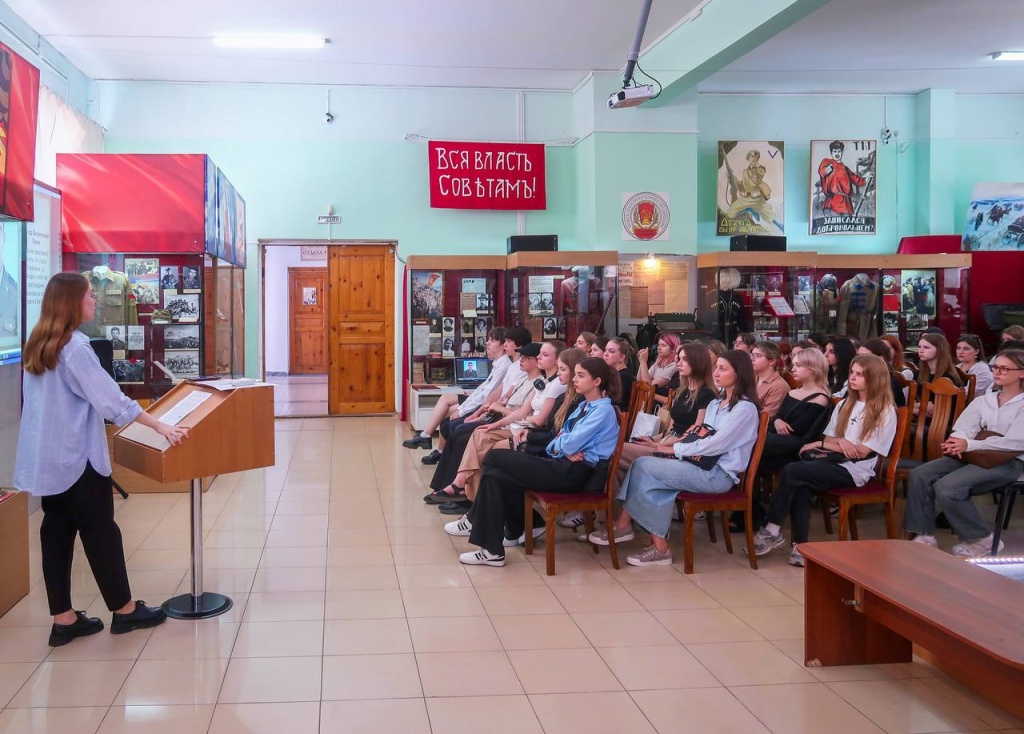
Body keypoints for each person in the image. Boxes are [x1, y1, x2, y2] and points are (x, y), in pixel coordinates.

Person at [14, 273, 188, 647]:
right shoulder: (75, 348)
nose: (94, 300)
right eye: (90, 296)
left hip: (49, 459)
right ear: (72, 303)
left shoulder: (38, 343)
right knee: (101, 533)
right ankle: (125, 612)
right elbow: (112, 401)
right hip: (79, 459)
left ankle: (64, 619)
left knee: (56, 534)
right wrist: (160, 426)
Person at [444, 357, 622, 566]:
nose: (575, 379)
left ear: (597, 381)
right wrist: (562, 445)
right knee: (496, 476)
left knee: (493, 458)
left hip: (576, 474)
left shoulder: (602, 410)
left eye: (581, 376)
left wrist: (563, 445)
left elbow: (568, 441)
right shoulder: (584, 405)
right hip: (564, 465)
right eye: (575, 374)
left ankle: (493, 532)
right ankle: (495, 547)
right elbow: (558, 439)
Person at [594, 350, 761, 566]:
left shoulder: (745, 409)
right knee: (646, 470)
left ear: (740, 374)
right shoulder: (716, 404)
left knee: (645, 466)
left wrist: (675, 450)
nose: (716, 373)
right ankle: (653, 544)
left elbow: (715, 443)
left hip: (717, 474)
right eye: (716, 367)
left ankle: (626, 527)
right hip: (697, 464)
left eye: (723, 369)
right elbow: (702, 432)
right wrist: (671, 444)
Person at [753, 355, 898, 567]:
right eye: (852, 373)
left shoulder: (885, 411)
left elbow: (861, 452)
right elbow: (830, 438)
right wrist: (838, 442)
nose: (852, 378)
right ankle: (800, 546)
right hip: (831, 461)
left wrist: (823, 445)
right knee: (799, 481)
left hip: (855, 471)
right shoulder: (846, 404)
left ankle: (773, 528)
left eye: (859, 374)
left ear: (875, 378)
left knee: (793, 471)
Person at [904, 349, 1024, 557]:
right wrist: (958, 440)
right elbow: (964, 425)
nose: (997, 372)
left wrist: (968, 444)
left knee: (949, 486)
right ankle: (924, 535)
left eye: (1004, 369)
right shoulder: (986, 399)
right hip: (976, 454)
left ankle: (980, 538)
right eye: (995, 367)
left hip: (1011, 461)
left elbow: (1013, 442)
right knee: (921, 474)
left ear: (1022, 373)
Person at [432, 341, 566, 503]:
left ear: (558, 360)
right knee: (475, 432)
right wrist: (491, 423)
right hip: (515, 425)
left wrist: (501, 416)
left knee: (481, 447)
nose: (537, 358)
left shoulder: (553, 385)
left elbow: (536, 419)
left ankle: (466, 493)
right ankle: (465, 491)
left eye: (544, 355)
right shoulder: (541, 382)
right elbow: (515, 405)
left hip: (525, 430)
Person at [403, 327, 511, 458]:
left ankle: (436, 446)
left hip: (485, 405)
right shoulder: (497, 364)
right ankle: (428, 438)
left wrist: (462, 410)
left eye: (492, 340)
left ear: (503, 345)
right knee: (447, 397)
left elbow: (487, 395)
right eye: (488, 340)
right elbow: (484, 388)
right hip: (479, 400)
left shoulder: (504, 366)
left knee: (450, 410)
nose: (487, 343)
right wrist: (471, 396)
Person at [618, 342, 717, 481]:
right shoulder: (683, 390)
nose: (679, 363)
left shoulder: (707, 395)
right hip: (666, 441)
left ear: (698, 363)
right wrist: (652, 439)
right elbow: (671, 429)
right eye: (679, 359)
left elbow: (695, 436)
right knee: (616, 459)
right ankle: (615, 500)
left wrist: (657, 445)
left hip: (677, 450)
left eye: (684, 359)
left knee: (616, 452)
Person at [758, 347, 833, 472]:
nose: (793, 369)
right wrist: (777, 421)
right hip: (779, 439)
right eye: (793, 365)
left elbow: (798, 429)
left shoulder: (820, 398)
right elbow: (778, 416)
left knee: (755, 441)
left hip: (796, 445)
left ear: (813, 369)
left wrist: (779, 422)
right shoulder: (793, 393)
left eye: (798, 365)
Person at [817, 140, 871, 216]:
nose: (837, 153)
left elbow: (857, 179)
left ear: (842, 152)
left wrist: (866, 179)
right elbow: (821, 171)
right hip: (833, 202)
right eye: (835, 151)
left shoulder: (845, 169)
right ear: (831, 152)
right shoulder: (827, 162)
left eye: (839, 151)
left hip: (846, 204)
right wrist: (827, 170)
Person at [857, 338, 907, 407]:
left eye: (865, 357)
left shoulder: (889, 383)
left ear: (880, 359)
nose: (859, 360)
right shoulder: (860, 377)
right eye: (858, 356)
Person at [636, 333, 680, 406]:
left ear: (672, 349)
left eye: (663, 345)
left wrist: (643, 362)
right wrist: (641, 362)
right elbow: (639, 380)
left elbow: (648, 387)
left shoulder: (673, 366)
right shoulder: (658, 362)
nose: (659, 348)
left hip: (658, 406)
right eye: (659, 345)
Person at [751, 341, 789, 417]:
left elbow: (766, 417)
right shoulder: (753, 379)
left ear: (771, 361)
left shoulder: (779, 386)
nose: (752, 359)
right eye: (751, 355)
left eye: (757, 356)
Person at [602, 337, 635, 412]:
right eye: (605, 350)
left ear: (622, 357)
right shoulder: (612, 374)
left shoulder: (624, 377)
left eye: (611, 351)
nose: (605, 354)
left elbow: (610, 402)